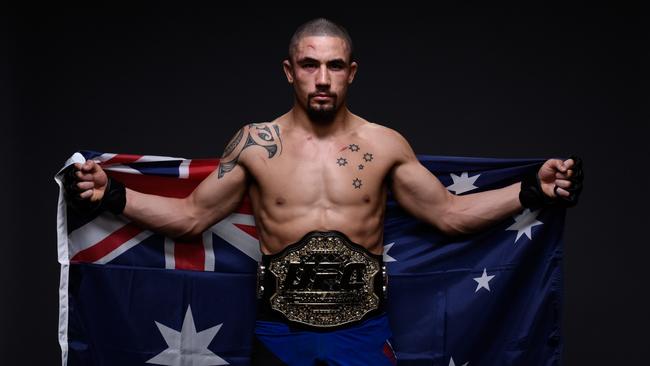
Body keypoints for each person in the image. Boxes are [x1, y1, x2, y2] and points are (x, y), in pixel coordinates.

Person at [63, 18, 583, 366]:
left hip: (364, 331)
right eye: (310, 65)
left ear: (351, 73)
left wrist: (531, 191)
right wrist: (114, 198)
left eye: (335, 66)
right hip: (277, 333)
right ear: (290, 71)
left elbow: (449, 214)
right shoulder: (255, 142)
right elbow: (191, 217)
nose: (322, 78)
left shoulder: (383, 145)